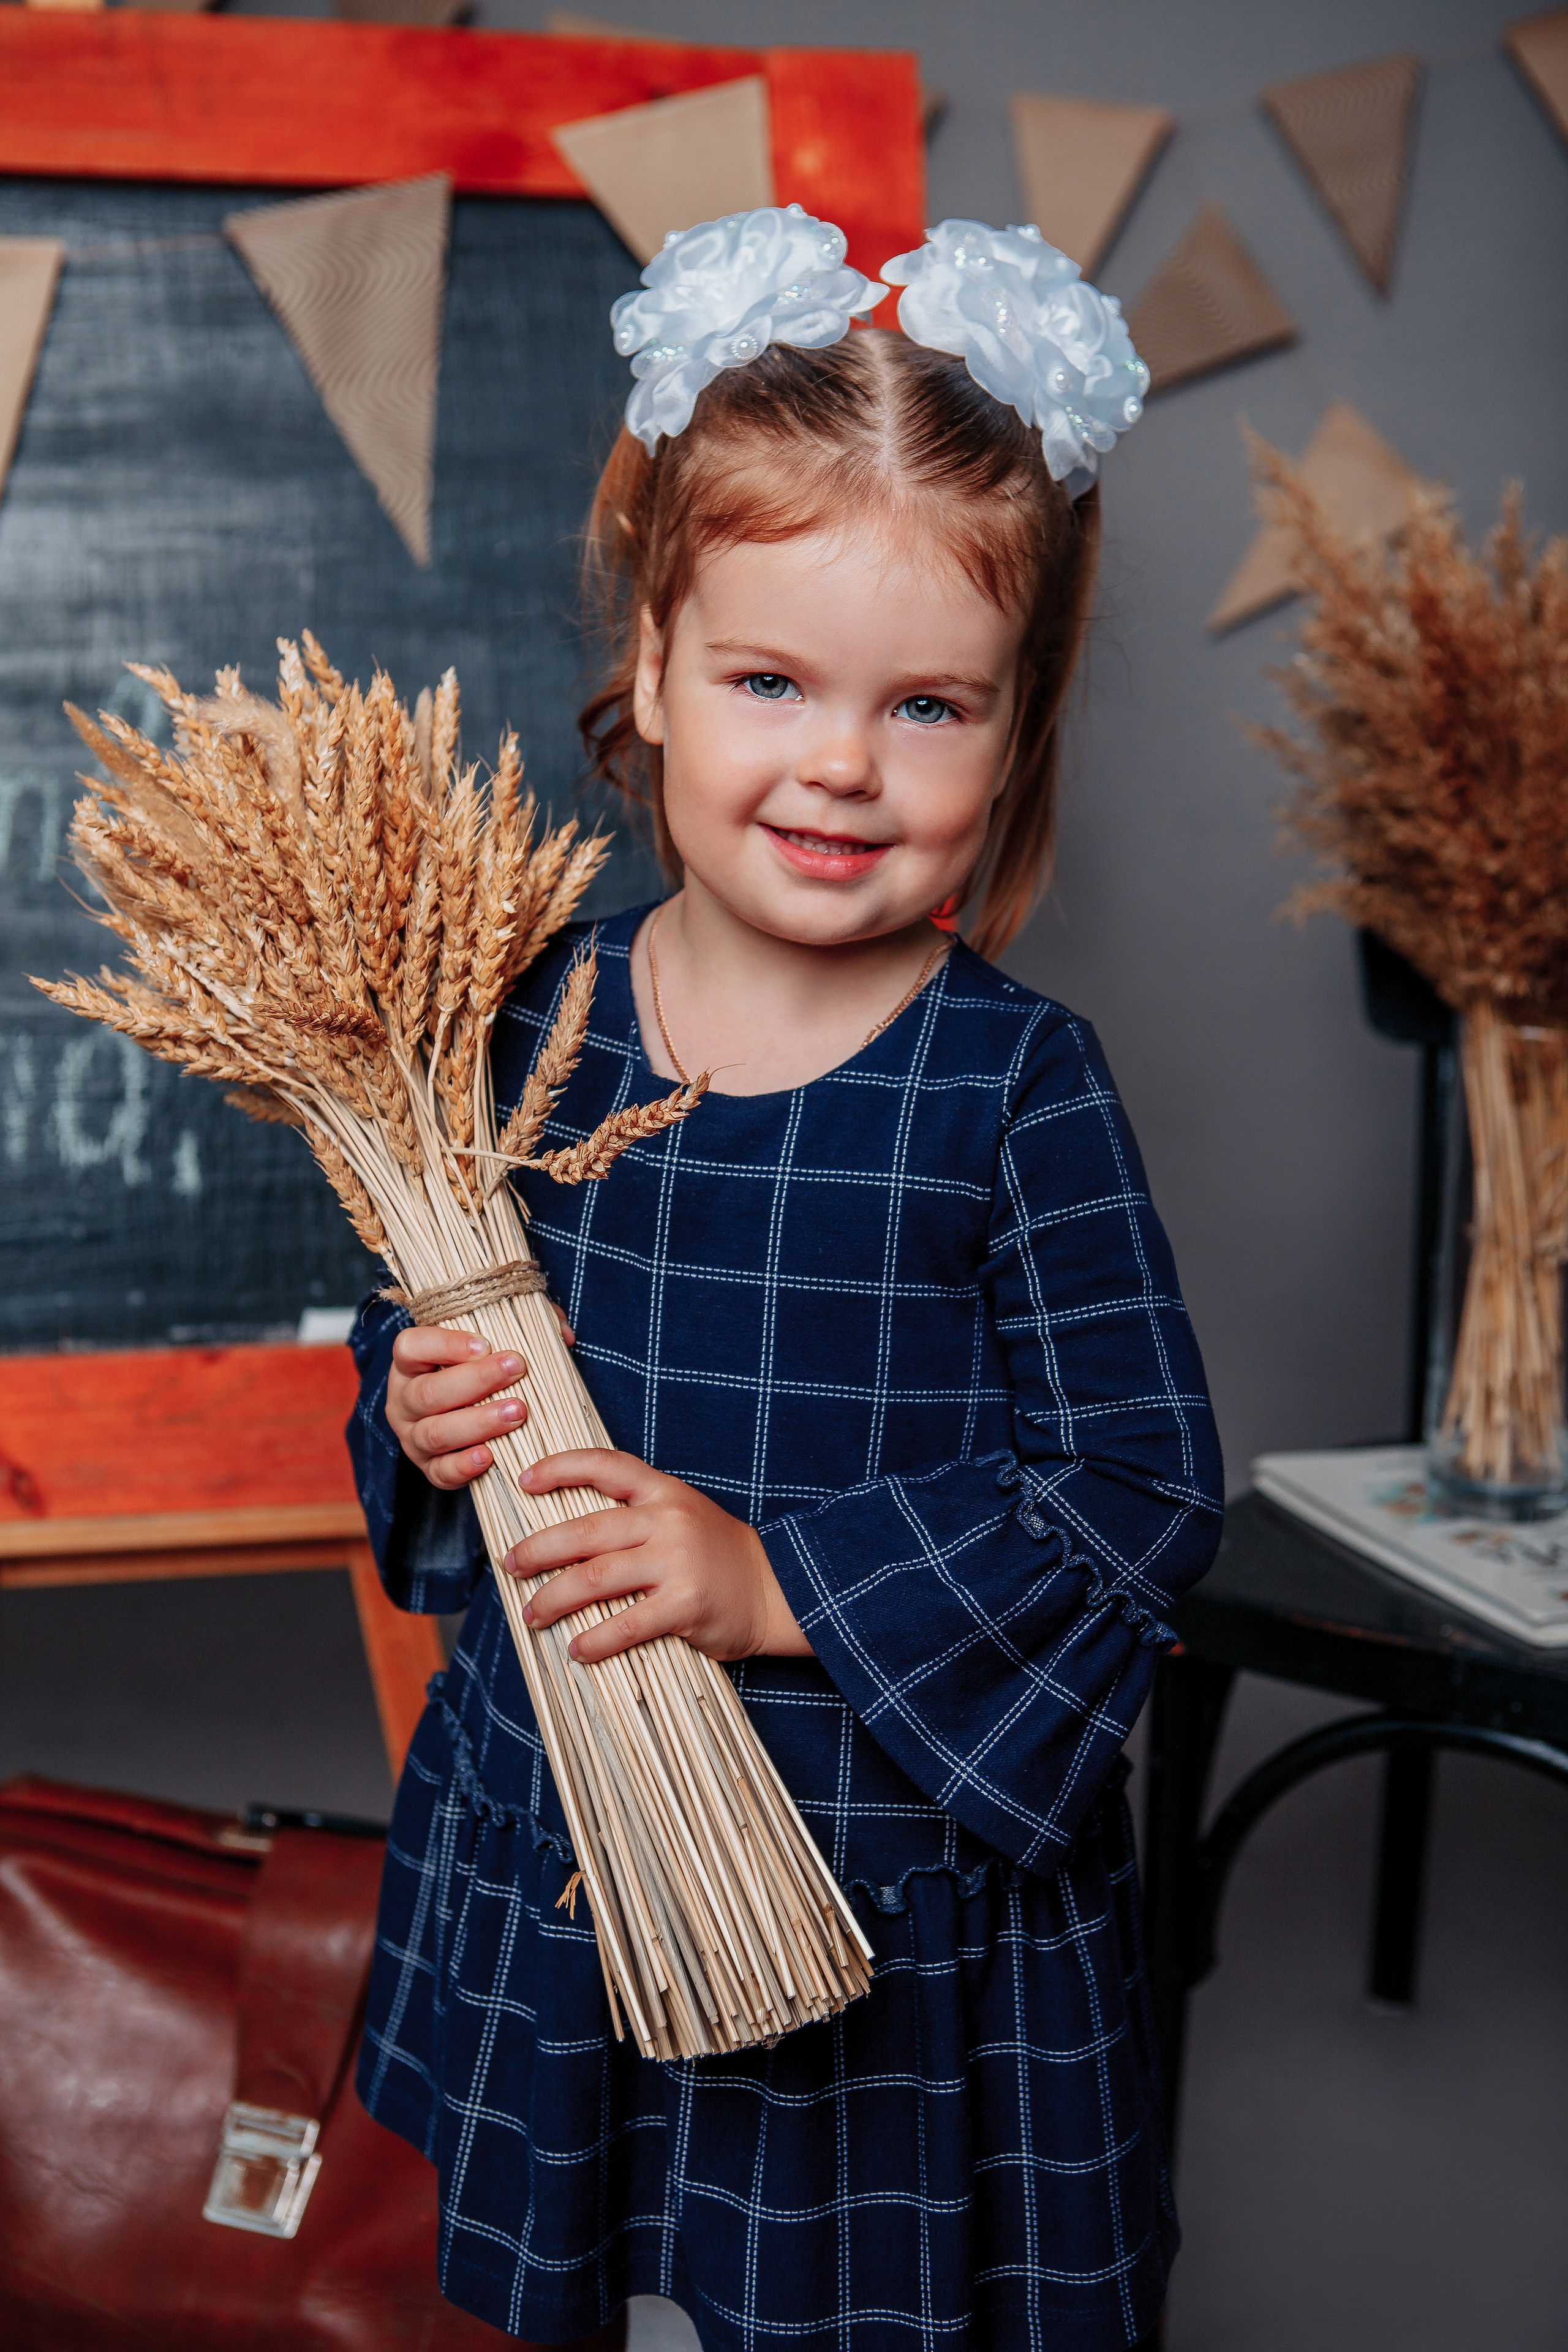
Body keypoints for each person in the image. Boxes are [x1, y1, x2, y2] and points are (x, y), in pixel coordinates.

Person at [347, 208, 1224, 2352]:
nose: (842, 763)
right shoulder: (528, 1013)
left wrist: (777, 1589)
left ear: (1011, 738)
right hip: (568, 1833)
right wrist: (415, 1407)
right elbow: (427, 1318)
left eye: (927, 705)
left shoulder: (1011, 1086)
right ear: (651, 667)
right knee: (578, 2296)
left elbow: (1139, 1489)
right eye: (771, 681)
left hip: (877, 1893)